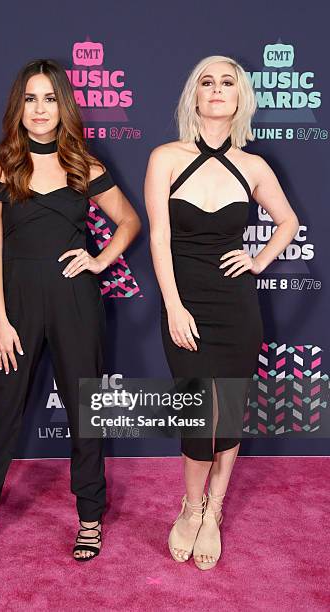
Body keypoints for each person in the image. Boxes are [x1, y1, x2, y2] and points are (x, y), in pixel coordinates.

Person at [0, 58, 141, 576]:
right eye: (31, 99)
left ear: (64, 105)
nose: (40, 109)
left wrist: (101, 260)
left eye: (50, 98)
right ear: (20, 106)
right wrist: (0, 320)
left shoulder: (86, 165)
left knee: (85, 414)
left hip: (76, 300)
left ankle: (88, 516)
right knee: (1, 418)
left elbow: (129, 220)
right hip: (15, 303)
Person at [144, 55, 299, 570]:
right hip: (184, 304)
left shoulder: (253, 166)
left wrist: (257, 260)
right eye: (206, 81)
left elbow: (288, 222)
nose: (216, 89)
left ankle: (214, 511)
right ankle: (190, 508)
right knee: (196, 413)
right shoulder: (165, 157)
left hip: (236, 308)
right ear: (194, 96)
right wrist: (172, 306)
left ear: (239, 98)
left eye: (226, 82)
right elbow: (159, 237)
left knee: (227, 412)